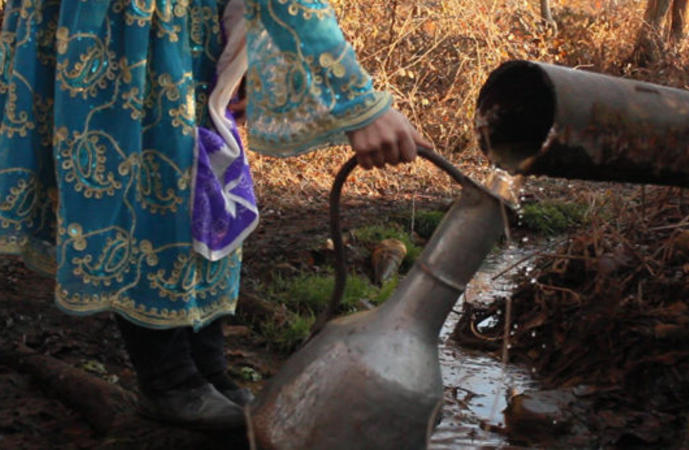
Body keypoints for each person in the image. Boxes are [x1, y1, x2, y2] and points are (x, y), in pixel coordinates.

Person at [0, 0, 432, 429]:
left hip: (185, 25)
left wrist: (237, 48)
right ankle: (168, 379)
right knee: (154, 188)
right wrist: (358, 104)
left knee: (203, 186)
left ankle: (208, 368)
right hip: (125, 27)